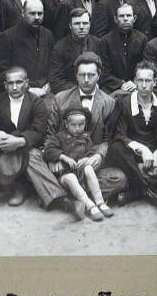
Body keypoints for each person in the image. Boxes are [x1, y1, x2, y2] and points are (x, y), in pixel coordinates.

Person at [26, 52, 127, 218]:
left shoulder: (109, 102)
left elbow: (108, 138)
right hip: (64, 159)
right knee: (31, 156)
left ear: (98, 76)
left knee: (120, 178)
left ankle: (56, 193)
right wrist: (55, 158)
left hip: (88, 162)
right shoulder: (60, 98)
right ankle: (71, 197)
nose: (86, 80)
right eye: (82, 75)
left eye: (91, 75)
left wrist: (99, 155)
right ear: (76, 76)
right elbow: (50, 134)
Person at [0, 66, 47, 215]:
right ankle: (11, 188)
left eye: (19, 82)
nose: (15, 87)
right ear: (5, 85)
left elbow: (39, 130)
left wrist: (20, 141)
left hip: (26, 148)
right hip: (2, 148)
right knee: (1, 145)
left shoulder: (36, 102)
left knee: (19, 142)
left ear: (26, 83)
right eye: (10, 83)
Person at [105, 61, 157, 210]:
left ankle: (135, 191)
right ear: (135, 81)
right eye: (140, 80)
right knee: (116, 148)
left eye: (148, 81)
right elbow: (119, 134)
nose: (144, 85)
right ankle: (148, 192)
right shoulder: (124, 103)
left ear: (154, 82)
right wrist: (143, 151)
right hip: (133, 157)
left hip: (156, 155)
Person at [42, 108, 114, 222]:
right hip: (65, 175)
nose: (77, 128)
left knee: (89, 168)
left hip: (80, 174)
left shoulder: (86, 137)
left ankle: (100, 202)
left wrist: (86, 159)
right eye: (73, 125)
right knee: (70, 177)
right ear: (66, 124)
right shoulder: (59, 137)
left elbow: (91, 151)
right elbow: (48, 150)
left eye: (80, 125)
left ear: (85, 124)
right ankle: (90, 206)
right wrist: (63, 157)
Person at [0, 0, 54, 98]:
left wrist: (49, 84)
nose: (36, 17)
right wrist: (27, 88)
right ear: (23, 13)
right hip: (18, 93)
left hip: (46, 91)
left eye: (40, 14)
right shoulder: (8, 37)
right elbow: (1, 73)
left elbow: (53, 65)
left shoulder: (47, 35)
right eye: (32, 14)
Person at [49, 8, 101, 94]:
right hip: (71, 92)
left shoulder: (98, 44)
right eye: (77, 24)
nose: (81, 27)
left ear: (90, 24)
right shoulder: (60, 48)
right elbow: (55, 80)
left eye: (85, 23)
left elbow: (104, 72)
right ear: (70, 25)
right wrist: (79, 89)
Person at [99, 3, 148, 96]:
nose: (125, 19)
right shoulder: (106, 41)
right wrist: (121, 84)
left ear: (134, 18)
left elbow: (145, 66)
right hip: (112, 88)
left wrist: (135, 82)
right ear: (115, 19)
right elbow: (104, 71)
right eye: (121, 16)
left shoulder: (142, 39)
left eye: (128, 15)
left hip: (137, 85)